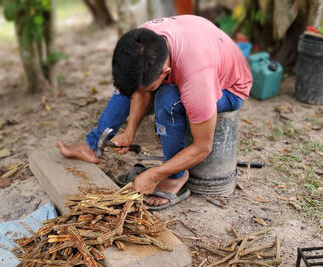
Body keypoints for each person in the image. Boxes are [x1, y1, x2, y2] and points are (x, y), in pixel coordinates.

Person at [56, 15, 252, 209]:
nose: (140, 94)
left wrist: (155, 174)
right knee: (129, 83)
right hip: (197, 47)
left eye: (147, 88)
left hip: (230, 87)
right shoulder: (142, 41)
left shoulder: (196, 79)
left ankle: (175, 177)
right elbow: (138, 92)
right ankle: (93, 145)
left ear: (165, 72)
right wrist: (129, 132)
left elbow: (203, 147)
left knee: (167, 99)